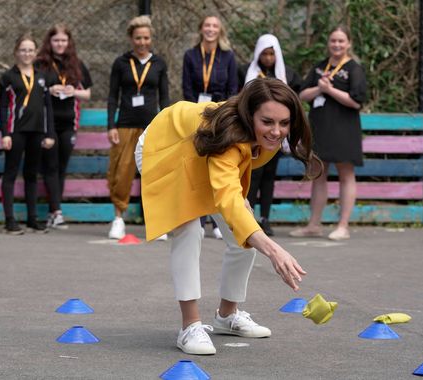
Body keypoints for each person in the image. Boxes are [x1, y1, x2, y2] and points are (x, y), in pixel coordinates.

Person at [136, 78, 320, 355]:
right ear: (249, 116)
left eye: (284, 123)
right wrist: (274, 250)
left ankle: (227, 316)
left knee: (242, 231)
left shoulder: (263, 136)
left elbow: (232, 179)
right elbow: (227, 189)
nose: (276, 131)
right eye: (267, 122)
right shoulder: (228, 135)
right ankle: (190, 326)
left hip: (202, 152)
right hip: (163, 146)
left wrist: (241, 211)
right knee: (189, 228)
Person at [290, 26, 367, 241]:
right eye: (333, 40)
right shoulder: (319, 67)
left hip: (344, 129)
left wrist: (330, 90)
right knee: (318, 175)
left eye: (341, 41)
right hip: (320, 127)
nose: (337, 45)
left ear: (348, 43)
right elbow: (302, 94)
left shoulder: (354, 69)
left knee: (346, 174)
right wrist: (319, 89)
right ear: (328, 42)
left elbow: (356, 101)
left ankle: (343, 225)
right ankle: (314, 224)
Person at [106, 15, 169, 239]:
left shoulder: (159, 63)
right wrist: (111, 125)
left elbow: (165, 98)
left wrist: (166, 127)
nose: (142, 42)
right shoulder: (121, 63)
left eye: (146, 38)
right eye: (137, 38)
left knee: (154, 173)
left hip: (152, 127)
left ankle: (157, 221)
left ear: (151, 39)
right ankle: (118, 219)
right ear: (131, 39)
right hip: (125, 125)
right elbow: (113, 96)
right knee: (121, 171)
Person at [238, 34, 302, 236]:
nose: (268, 58)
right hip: (253, 133)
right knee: (252, 174)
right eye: (264, 54)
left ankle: (265, 218)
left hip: (275, 136)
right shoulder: (245, 72)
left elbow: (294, 101)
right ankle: (247, 216)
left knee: (269, 177)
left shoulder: (287, 75)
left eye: (271, 54)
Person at [182, 15, 238, 240]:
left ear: (220, 30)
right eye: (207, 25)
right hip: (195, 115)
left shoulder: (228, 56)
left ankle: (217, 221)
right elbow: (186, 87)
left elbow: (233, 88)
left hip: (220, 117)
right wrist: (194, 113)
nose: (211, 29)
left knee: (216, 165)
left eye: (215, 26)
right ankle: (199, 218)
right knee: (195, 165)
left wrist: (222, 115)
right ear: (201, 28)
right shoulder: (190, 55)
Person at [36, 24, 92, 230]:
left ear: (69, 42)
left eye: (63, 41)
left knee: (61, 166)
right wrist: (49, 89)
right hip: (47, 121)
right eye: (56, 40)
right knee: (50, 166)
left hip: (69, 121)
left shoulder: (76, 64)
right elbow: (32, 89)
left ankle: (54, 211)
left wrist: (73, 91)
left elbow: (87, 93)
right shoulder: (41, 64)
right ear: (49, 42)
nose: (60, 44)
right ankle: (56, 212)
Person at [0, 33, 55, 235]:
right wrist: (5, 133)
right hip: (16, 131)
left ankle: (32, 219)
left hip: (37, 131)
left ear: (36, 52)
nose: (27, 53)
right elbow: (3, 107)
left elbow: (48, 107)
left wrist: (50, 134)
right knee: (11, 173)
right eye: (23, 50)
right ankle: (10, 220)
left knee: (32, 175)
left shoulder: (42, 77)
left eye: (31, 50)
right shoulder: (8, 77)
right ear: (16, 52)